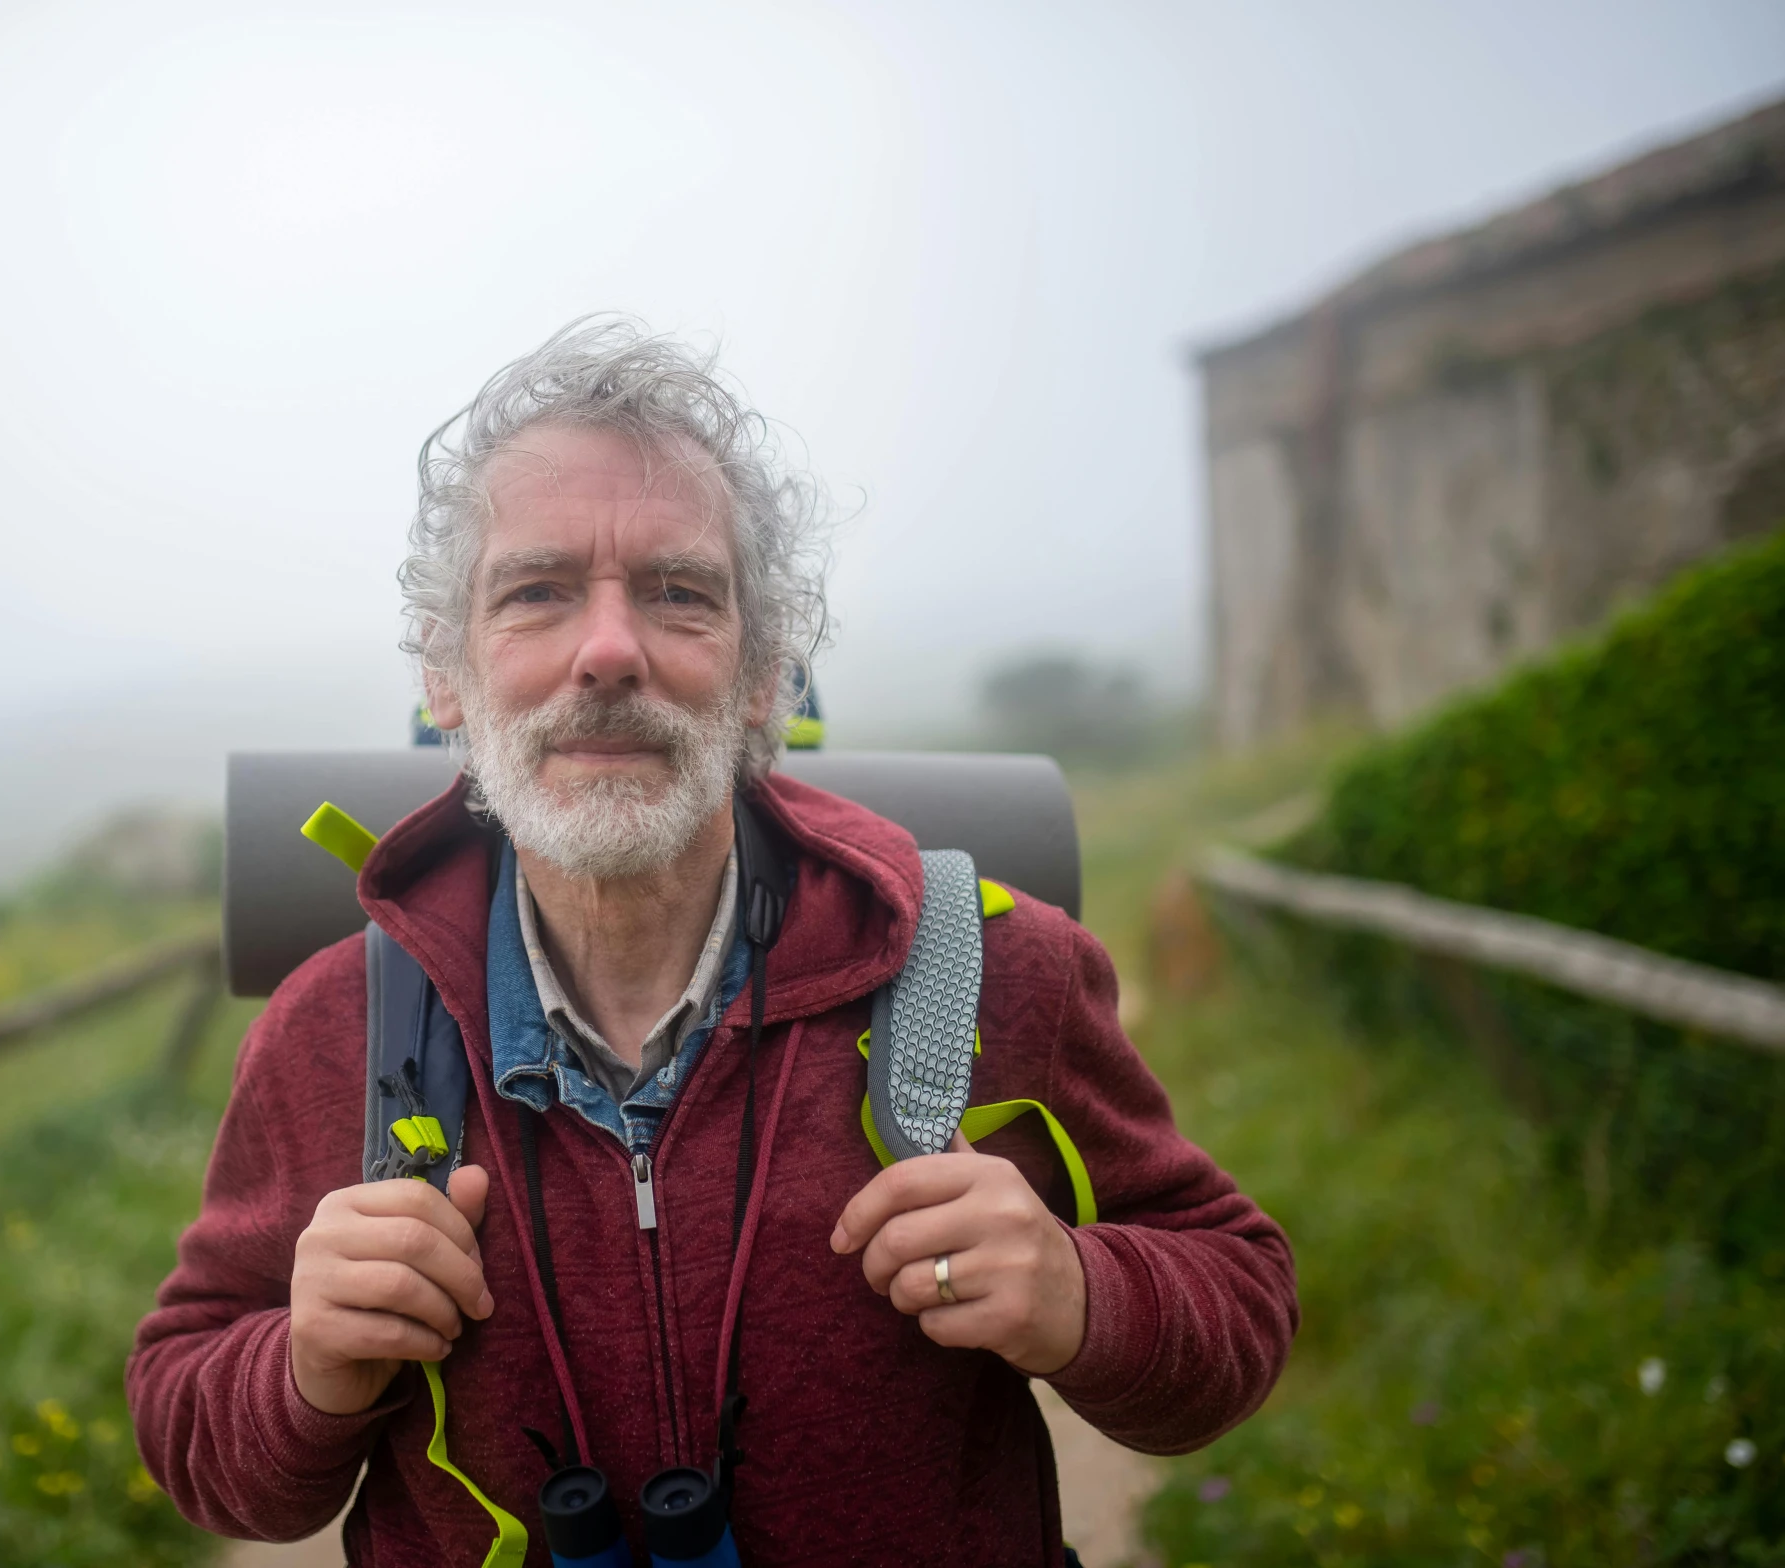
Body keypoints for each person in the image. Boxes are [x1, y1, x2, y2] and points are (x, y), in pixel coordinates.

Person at [128, 318, 1297, 1566]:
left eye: (680, 593)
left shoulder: (993, 971)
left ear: (761, 676)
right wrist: (304, 1367)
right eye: (537, 592)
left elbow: (1239, 1302)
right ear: (447, 676)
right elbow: (200, 1433)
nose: (611, 649)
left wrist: (1080, 1297)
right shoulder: (330, 1030)